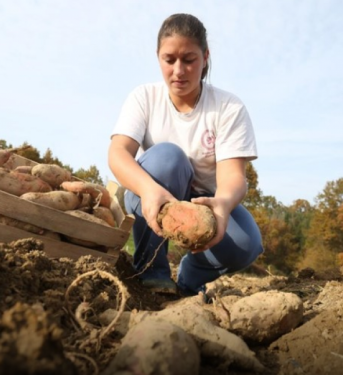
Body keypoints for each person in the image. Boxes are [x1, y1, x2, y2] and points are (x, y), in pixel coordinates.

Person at [108, 13, 264, 296]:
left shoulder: (228, 107)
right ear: (158, 57)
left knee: (247, 243)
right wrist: (148, 190)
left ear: (205, 57)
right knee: (169, 157)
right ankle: (151, 271)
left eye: (189, 60)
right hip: (151, 194)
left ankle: (190, 278)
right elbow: (118, 154)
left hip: (203, 203)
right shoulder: (144, 98)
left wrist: (224, 203)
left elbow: (233, 177)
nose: (179, 70)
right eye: (169, 60)